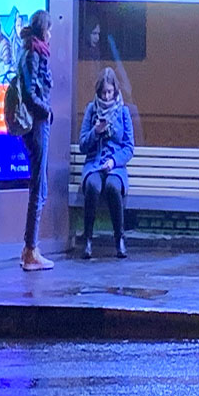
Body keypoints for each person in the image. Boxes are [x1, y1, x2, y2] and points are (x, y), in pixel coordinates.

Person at [77, 67, 135, 259]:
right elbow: (83, 145)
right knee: (93, 186)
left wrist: (114, 161)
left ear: (115, 91)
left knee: (112, 187)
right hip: (94, 164)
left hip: (115, 167)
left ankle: (119, 238)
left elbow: (129, 147)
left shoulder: (123, 112)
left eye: (110, 92)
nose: (107, 96)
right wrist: (95, 132)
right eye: (103, 92)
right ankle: (88, 239)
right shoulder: (91, 109)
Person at [18, 9, 55, 271]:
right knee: (38, 186)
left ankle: (31, 248)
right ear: (42, 30)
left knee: (39, 184)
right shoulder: (33, 54)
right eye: (49, 29)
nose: (51, 34)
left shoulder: (32, 51)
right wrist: (47, 111)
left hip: (38, 125)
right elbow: (31, 94)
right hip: (37, 126)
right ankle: (31, 249)